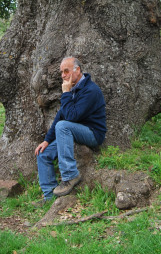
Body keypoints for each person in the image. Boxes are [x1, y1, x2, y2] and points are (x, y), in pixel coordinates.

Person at [35, 57, 107, 200]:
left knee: (63, 126)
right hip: (74, 131)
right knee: (43, 153)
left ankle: (70, 175)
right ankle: (49, 197)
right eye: (62, 72)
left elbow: (71, 117)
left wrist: (66, 93)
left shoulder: (90, 90)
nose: (63, 75)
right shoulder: (73, 89)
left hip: (93, 133)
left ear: (77, 70)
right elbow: (61, 115)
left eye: (66, 71)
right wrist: (47, 141)